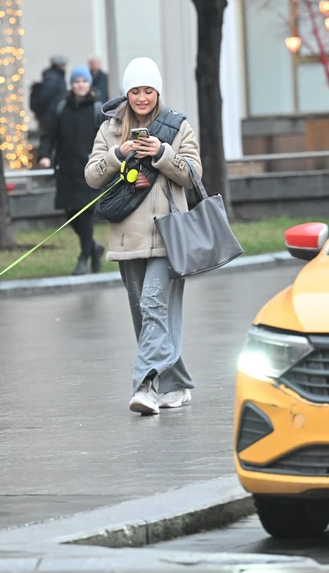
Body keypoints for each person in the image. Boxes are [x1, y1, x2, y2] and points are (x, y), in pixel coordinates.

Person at [84, 57, 201, 416]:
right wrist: (119, 155)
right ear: (127, 92)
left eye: (148, 90)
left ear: (157, 91)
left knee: (153, 305)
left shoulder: (177, 125)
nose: (142, 97)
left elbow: (194, 173)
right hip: (127, 238)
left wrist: (163, 154)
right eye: (135, 91)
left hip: (169, 235)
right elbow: (91, 175)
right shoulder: (110, 128)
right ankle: (176, 385)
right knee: (146, 315)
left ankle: (146, 386)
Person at [38, 65, 106, 275]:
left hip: (88, 171)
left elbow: (108, 138)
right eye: (77, 81)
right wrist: (44, 155)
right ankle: (94, 248)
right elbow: (49, 135)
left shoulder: (98, 109)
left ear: (89, 84)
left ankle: (84, 257)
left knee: (84, 214)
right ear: (72, 84)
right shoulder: (61, 108)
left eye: (84, 81)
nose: (80, 85)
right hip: (66, 170)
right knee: (70, 212)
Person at [34, 55, 68, 125]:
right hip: (51, 113)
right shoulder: (53, 77)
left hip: (54, 112)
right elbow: (46, 96)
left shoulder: (56, 76)